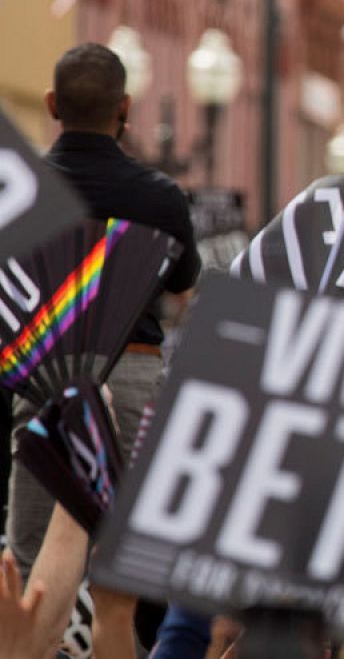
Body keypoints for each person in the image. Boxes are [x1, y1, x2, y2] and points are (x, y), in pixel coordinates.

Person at [6, 43, 201, 579]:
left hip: (42, 374)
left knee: (30, 552)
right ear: (125, 107)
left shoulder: (20, 193)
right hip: (133, 372)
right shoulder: (160, 196)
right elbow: (182, 282)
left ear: (52, 104)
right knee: (128, 550)